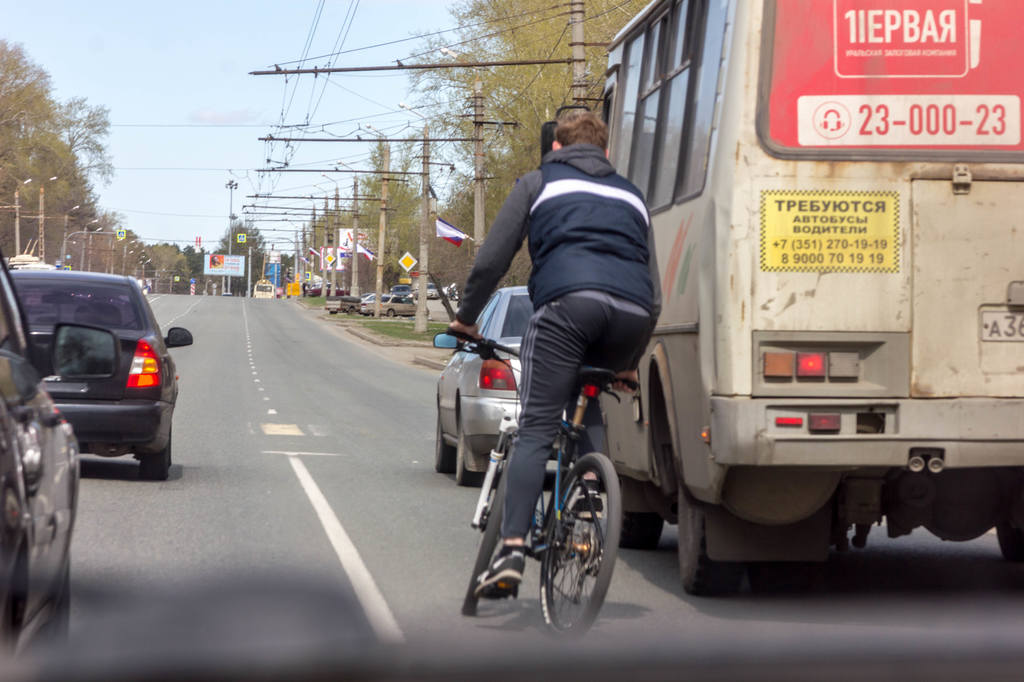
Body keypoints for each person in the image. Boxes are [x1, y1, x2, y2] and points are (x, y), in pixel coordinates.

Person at [448, 109, 661, 598]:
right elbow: (653, 293)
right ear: (606, 152)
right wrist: (630, 361)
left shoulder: (540, 181)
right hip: (632, 315)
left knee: (537, 428)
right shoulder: (632, 195)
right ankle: (588, 508)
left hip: (568, 307)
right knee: (589, 403)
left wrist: (467, 317)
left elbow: (493, 258)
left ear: (557, 148)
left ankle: (511, 550)